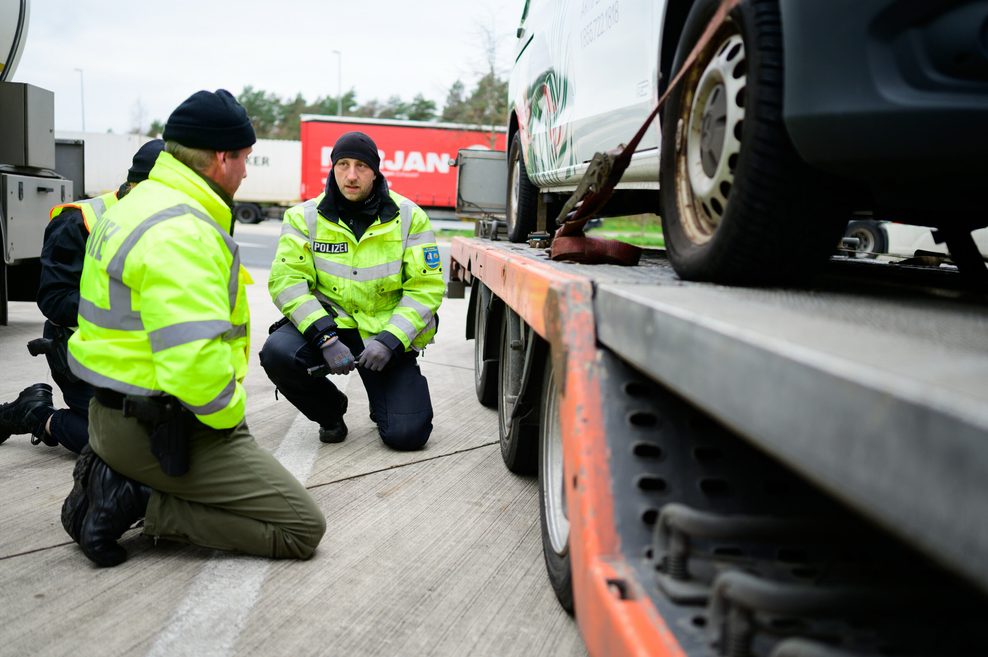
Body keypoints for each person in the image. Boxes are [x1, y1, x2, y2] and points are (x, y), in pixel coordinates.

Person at [62, 89, 325, 568]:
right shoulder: (183, 230)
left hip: (110, 413)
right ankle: (136, 498)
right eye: (245, 158)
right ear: (222, 158)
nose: (247, 170)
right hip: (163, 429)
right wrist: (230, 421)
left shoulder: (137, 205)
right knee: (301, 528)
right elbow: (192, 360)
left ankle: (119, 474)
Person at [260, 131, 444, 451]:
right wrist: (324, 337)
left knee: (408, 436)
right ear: (332, 169)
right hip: (330, 327)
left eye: (361, 166)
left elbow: (425, 287)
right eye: (343, 164)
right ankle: (330, 412)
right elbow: (286, 282)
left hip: (384, 336)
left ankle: (383, 400)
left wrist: (390, 341)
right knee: (278, 354)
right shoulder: (303, 217)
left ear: (375, 171)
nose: (352, 175)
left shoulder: (410, 217)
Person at [0, 139, 164, 454]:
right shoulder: (80, 221)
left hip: (141, 358)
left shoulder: (166, 225)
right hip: (82, 352)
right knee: (122, 443)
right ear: (139, 186)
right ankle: (36, 414)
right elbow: (54, 300)